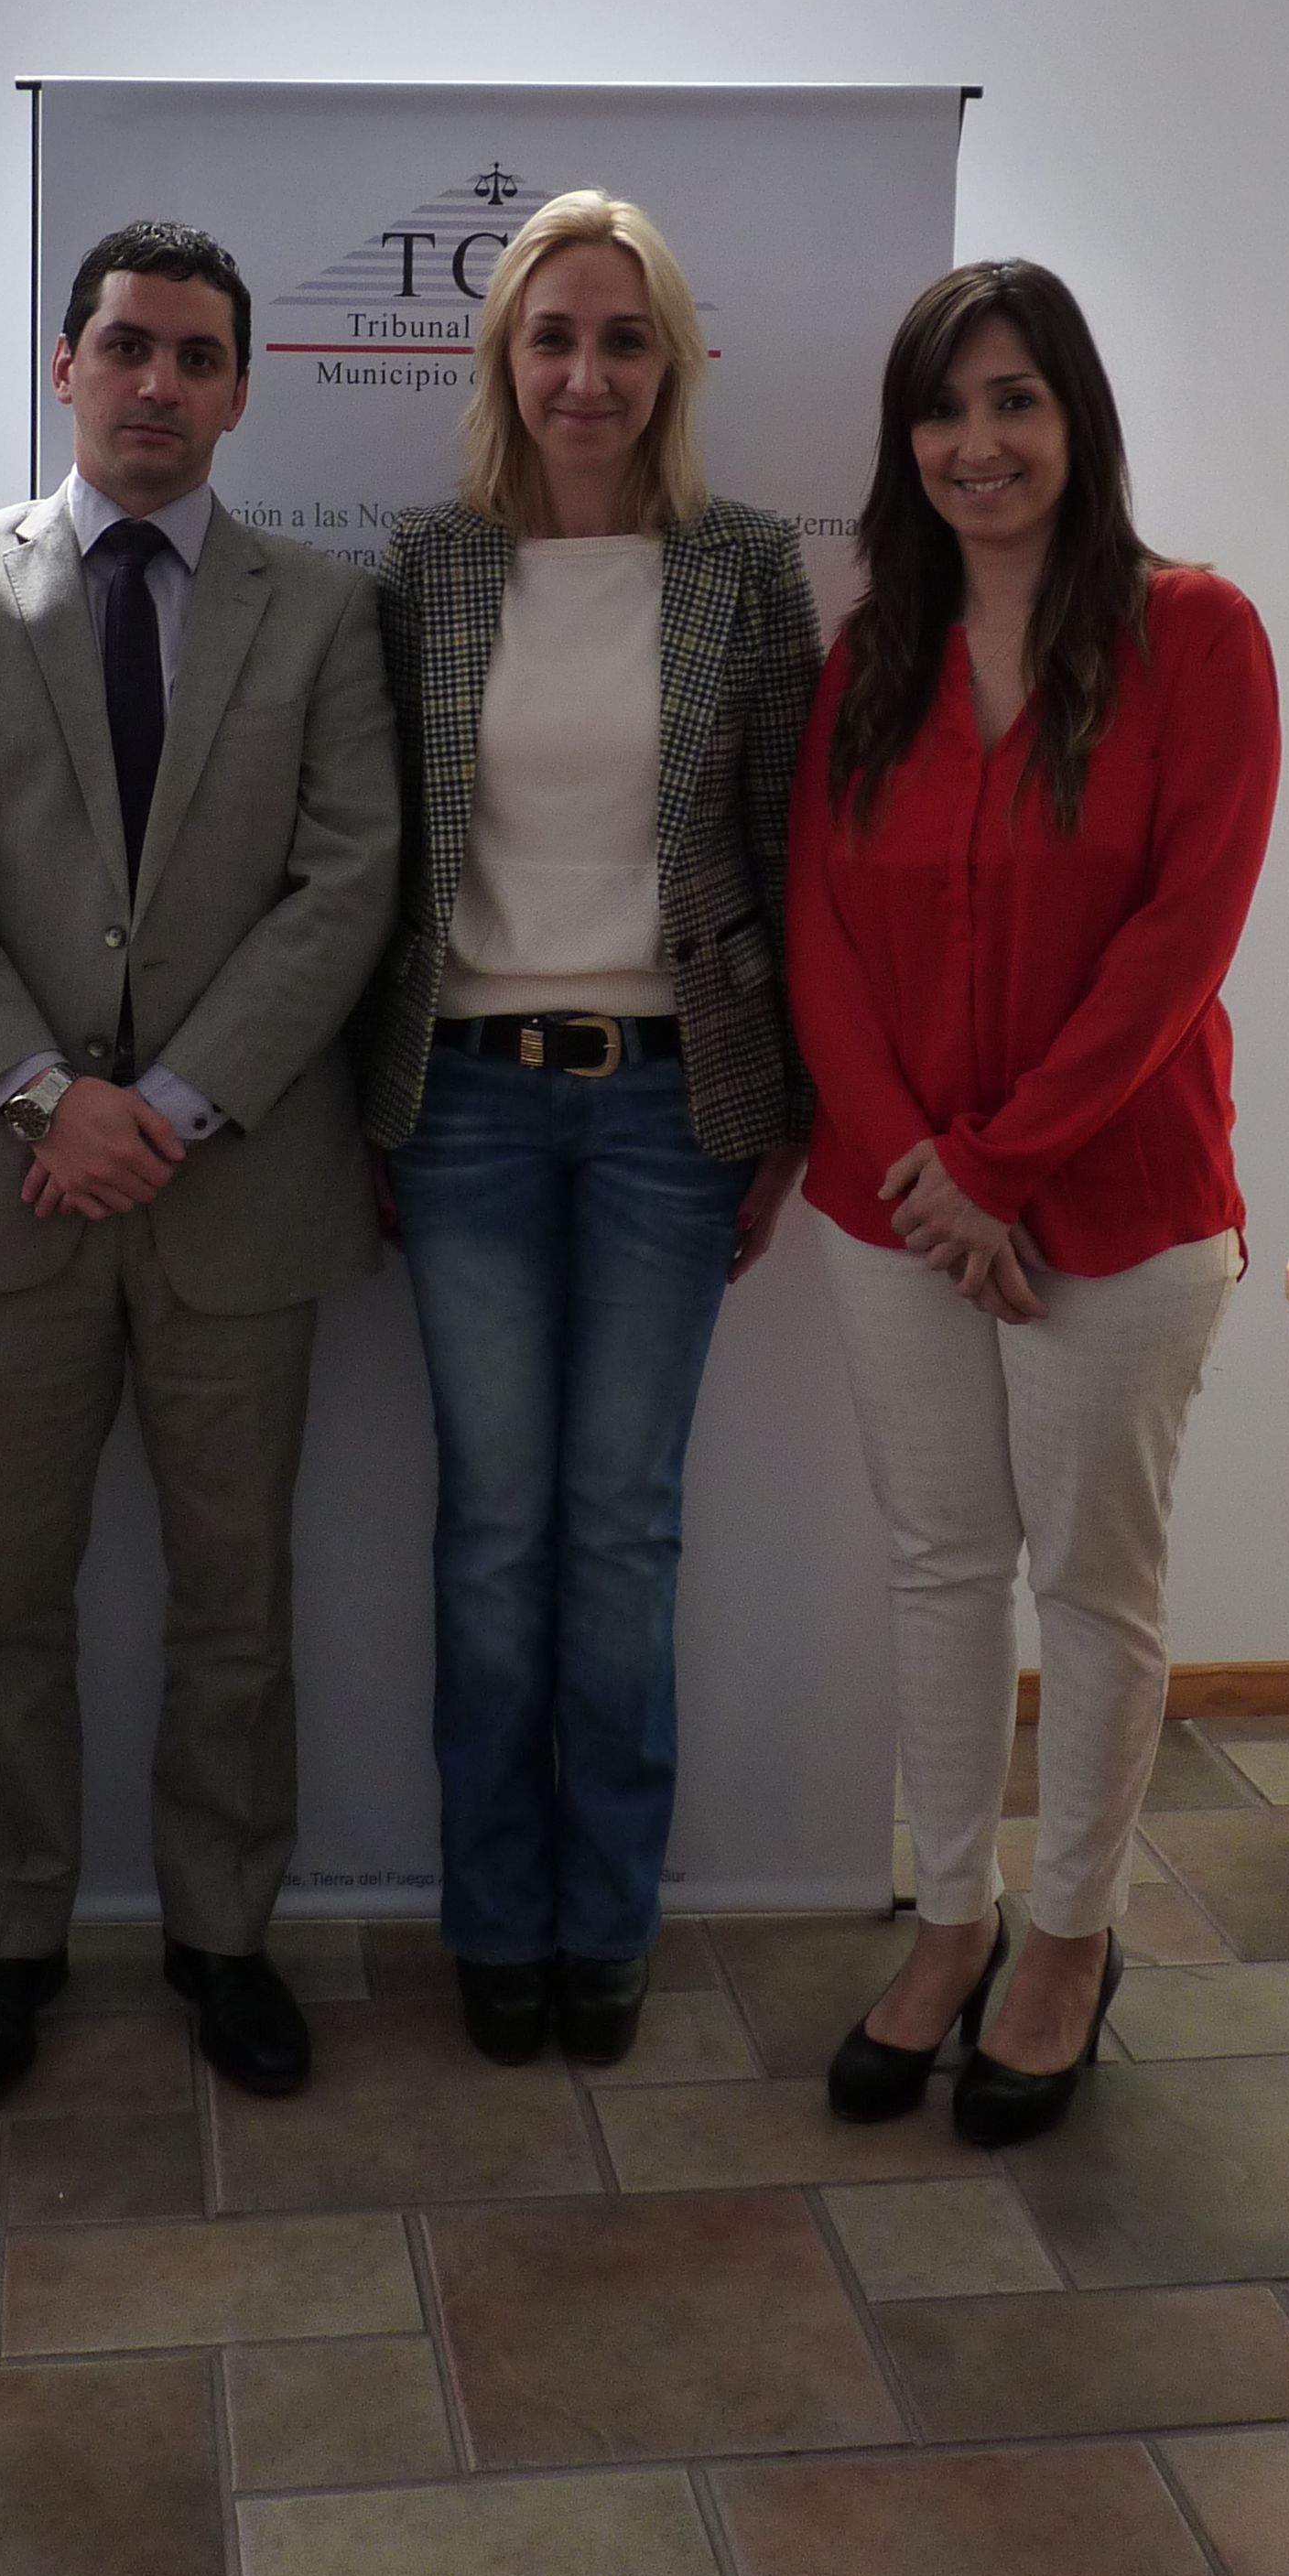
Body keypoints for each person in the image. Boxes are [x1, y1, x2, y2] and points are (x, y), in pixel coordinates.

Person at [0, 221, 399, 2114]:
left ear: (241, 389)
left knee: (235, 1599)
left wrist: (167, 1100)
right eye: (126, 346)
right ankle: (9, 1939)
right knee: (7, 1599)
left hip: (234, 1183)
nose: (158, 382)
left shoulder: (319, 609)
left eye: (196, 355)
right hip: (5, 1189)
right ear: (66, 364)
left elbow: (349, 881)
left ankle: (220, 1934)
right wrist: (43, 1093)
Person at [787, 259, 1280, 2146]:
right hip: (896, 1206)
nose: (974, 442)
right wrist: (927, 1174)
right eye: (941, 409)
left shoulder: (1196, 636)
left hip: (1121, 1211)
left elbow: (1179, 938)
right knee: (939, 1563)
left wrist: (999, 1165)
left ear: (1076, 419)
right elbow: (819, 930)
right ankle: (952, 1917)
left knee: (1089, 1583)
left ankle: (1068, 1937)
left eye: (1013, 400)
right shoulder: (871, 659)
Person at [361, 190, 820, 2070]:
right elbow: (373, 859)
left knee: (620, 1530)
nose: (585, 372)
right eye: (551, 335)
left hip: (667, 1107)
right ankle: (495, 1917)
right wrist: (365, 1112)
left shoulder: (745, 569)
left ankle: (603, 1918)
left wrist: (785, 1112)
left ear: (672, 363)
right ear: (503, 359)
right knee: (491, 1531)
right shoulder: (425, 568)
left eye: (622, 338)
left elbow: (791, 851)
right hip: (461, 1103)